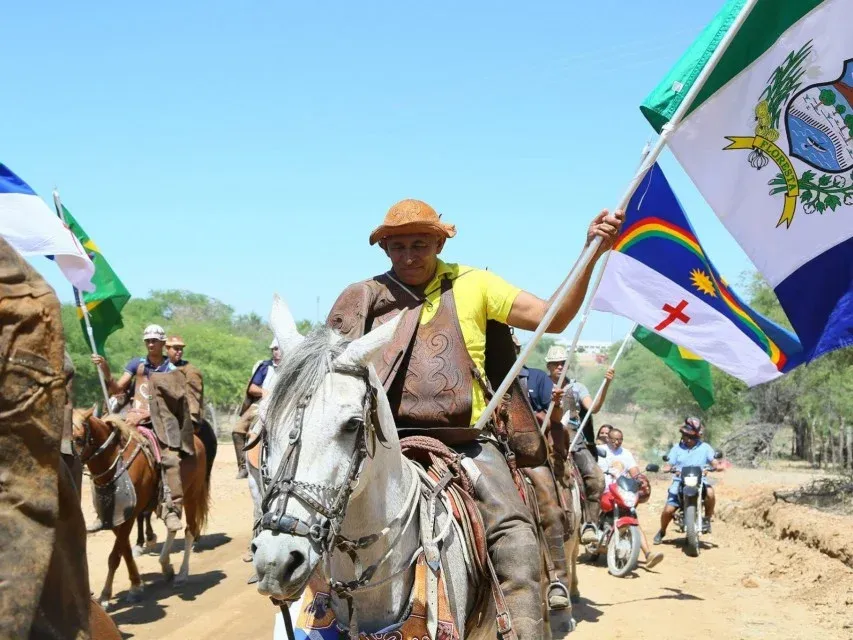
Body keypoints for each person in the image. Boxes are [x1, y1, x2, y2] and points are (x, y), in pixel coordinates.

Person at [327, 198, 623, 636]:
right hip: (380, 444)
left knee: (515, 534)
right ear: (385, 249)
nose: (409, 255)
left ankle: (524, 629)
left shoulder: (474, 284)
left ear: (439, 243)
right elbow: (329, 366)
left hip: (467, 443)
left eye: (420, 244)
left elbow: (550, 317)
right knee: (315, 517)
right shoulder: (364, 296)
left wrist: (591, 251)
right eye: (398, 246)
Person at [0, 236, 91, 637]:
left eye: (162, 344)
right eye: (155, 344)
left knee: (169, 454)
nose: (158, 348)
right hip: (134, 408)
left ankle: (170, 497)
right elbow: (122, 389)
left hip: (36, 414)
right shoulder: (139, 365)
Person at [91, 325, 184, 533]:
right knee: (103, 451)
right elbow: (117, 390)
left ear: (163, 344)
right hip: (131, 418)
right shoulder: (137, 364)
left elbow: (173, 405)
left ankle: (171, 508)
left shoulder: (172, 371)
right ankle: (103, 511)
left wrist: (148, 414)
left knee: (170, 459)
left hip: (159, 422)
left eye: (154, 341)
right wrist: (106, 371)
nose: (150, 344)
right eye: (147, 341)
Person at [543, 345, 613, 543]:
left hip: (574, 437)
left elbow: (594, 408)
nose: (559, 366)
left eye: (563, 363)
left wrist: (606, 384)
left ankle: (590, 524)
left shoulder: (577, 387)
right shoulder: (541, 384)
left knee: (597, 478)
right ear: (548, 365)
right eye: (555, 363)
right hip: (547, 434)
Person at [597, 427, 663, 568]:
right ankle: (591, 531)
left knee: (633, 518)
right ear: (608, 438)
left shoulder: (626, 453)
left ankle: (648, 554)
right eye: (614, 439)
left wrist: (641, 480)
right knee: (595, 509)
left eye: (620, 440)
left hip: (621, 490)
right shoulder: (600, 450)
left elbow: (635, 472)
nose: (617, 442)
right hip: (602, 490)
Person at [654, 418, 724, 544]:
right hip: (679, 480)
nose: (687, 438)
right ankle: (662, 530)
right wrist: (668, 468)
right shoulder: (676, 448)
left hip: (699, 479)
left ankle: (707, 519)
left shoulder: (705, 447)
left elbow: (714, 462)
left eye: (690, 436)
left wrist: (716, 466)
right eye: (685, 435)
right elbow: (669, 463)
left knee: (710, 493)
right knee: (668, 510)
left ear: (696, 436)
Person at [232, 339, 282, 479]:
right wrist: (264, 392)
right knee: (238, 430)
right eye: (274, 349)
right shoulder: (265, 367)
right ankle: (243, 466)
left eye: (279, 348)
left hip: (284, 405)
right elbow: (253, 387)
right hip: (261, 403)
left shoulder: (292, 367)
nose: (277, 352)